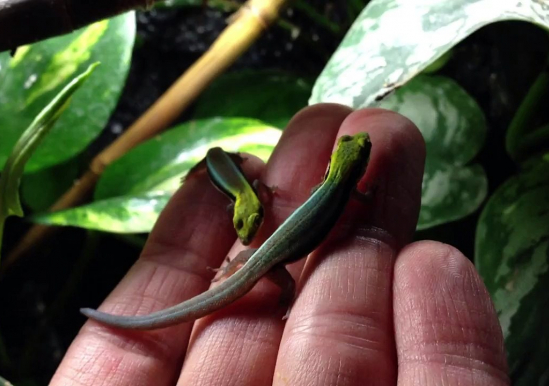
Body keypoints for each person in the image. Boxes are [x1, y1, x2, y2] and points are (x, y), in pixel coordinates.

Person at [50, 105, 509, 385]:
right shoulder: (349, 189)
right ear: (355, 167)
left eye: (356, 147)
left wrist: (232, 272)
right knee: (273, 281)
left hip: (263, 258)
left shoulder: (332, 184)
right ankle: (278, 296)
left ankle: (239, 281)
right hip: (273, 263)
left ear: (338, 164)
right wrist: (285, 297)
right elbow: (361, 198)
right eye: (357, 148)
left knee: (250, 269)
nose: (358, 145)